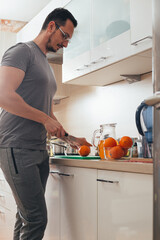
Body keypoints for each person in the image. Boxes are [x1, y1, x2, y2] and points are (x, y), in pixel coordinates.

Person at [0, 8, 91, 240]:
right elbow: (3, 95)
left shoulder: (47, 67)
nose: (66, 43)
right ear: (51, 26)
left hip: (39, 150)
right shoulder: (22, 52)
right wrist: (45, 119)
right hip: (15, 146)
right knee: (36, 218)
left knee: (26, 216)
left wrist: (71, 139)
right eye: (65, 36)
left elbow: (48, 113)